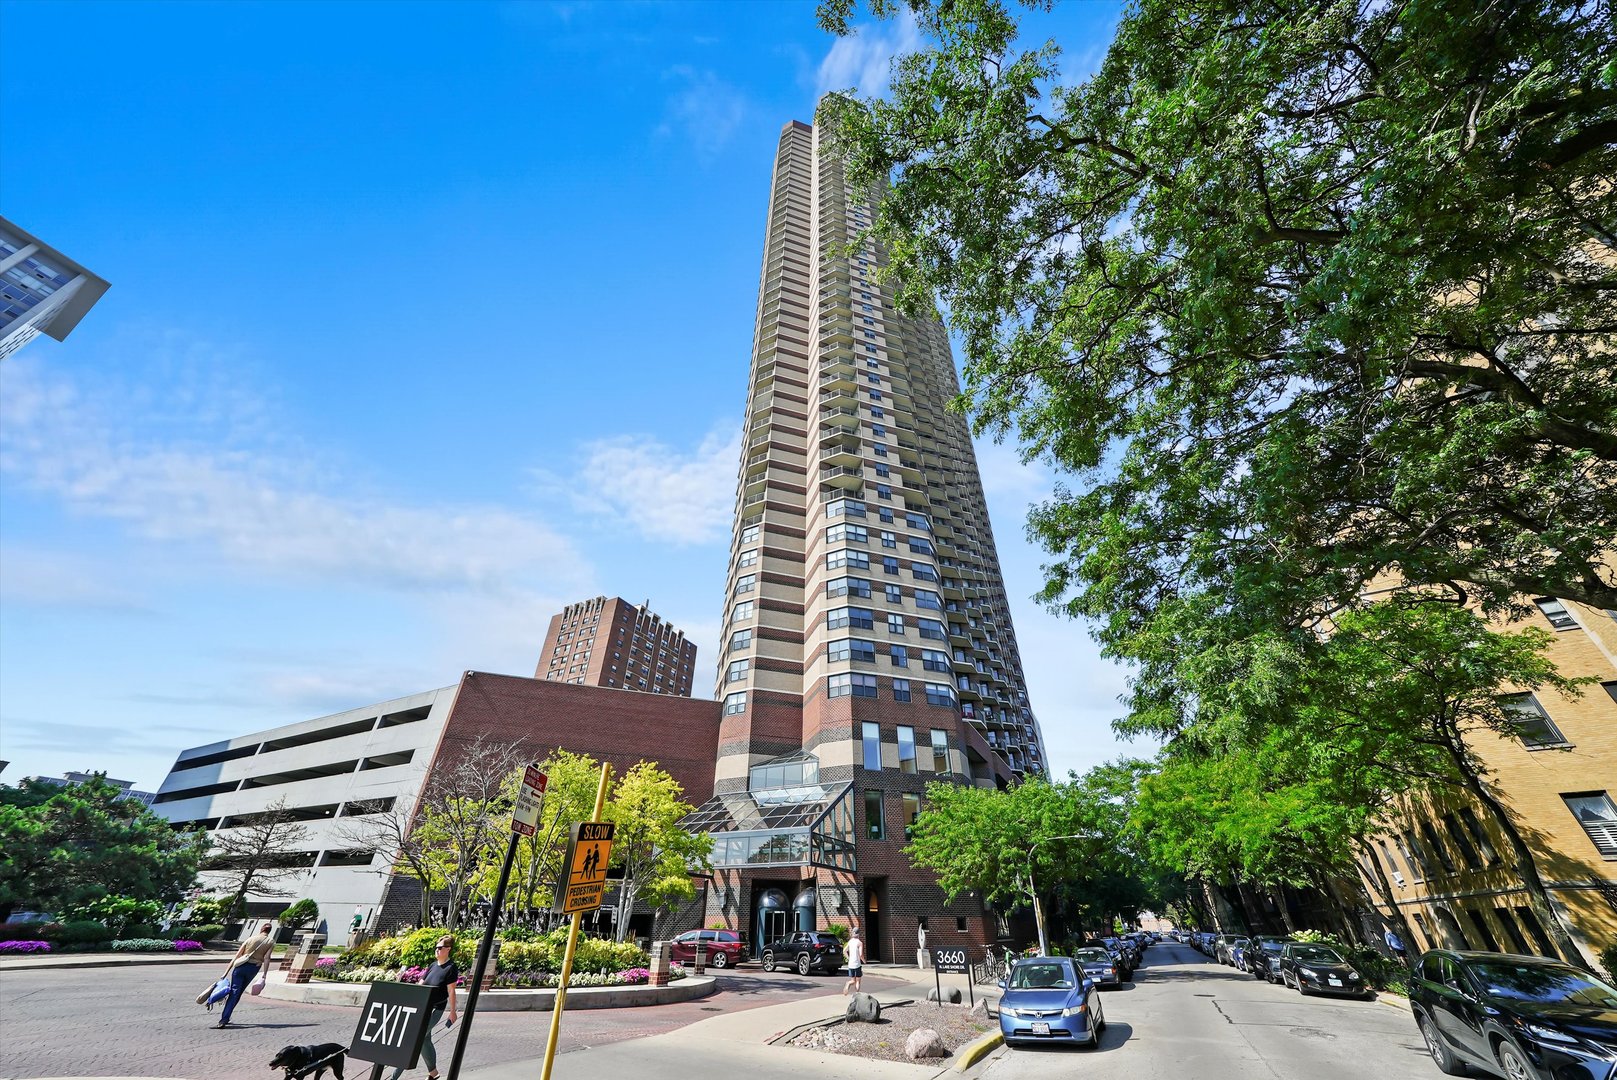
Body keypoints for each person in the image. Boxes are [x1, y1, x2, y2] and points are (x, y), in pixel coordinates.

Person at [390, 935, 459, 1080]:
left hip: (435, 1010)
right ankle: (434, 1074)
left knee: (414, 1038)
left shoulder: (451, 968)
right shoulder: (433, 965)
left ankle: (393, 1078)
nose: (437, 950)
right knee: (424, 1039)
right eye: (436, 947)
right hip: (423, 1007)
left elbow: (451, 991)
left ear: (448, 949)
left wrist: (452, 1012)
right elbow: (421, 983)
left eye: (440, 948)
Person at [204, 922, 274, 1028]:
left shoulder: (250, 939)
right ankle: (225, 1018)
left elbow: (237, 955)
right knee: (238, 993)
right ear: (269, 931)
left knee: (234, 991)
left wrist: (226, 972)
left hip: (240, 966)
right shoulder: (270, 941)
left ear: (261, 929)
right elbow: (267, 958)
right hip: (253, 968)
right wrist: (264, 974)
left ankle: (225, 1018)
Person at [841, 928, 865, 995]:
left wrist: (849, 958)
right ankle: (857, 994)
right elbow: (860, 955)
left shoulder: (850, 942)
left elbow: (844, 951)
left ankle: (848, 983)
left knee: (852, 980)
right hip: (857, 964)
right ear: (858, 934)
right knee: (858, 981)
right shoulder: (860, 943)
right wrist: (864, 961)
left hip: (851, 964)